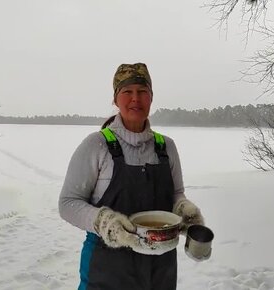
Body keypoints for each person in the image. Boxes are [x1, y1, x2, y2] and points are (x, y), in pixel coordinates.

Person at [58, 63, 205, 290]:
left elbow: (175, 194)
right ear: (116, 99)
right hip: (106, 270)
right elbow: (68, 203)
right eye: (127, 92)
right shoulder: (96, 145)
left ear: (151, 98)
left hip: (161, 269)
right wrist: (104, 222)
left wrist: (184, 209)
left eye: (142, 91)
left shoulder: (166, 146)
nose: (135, 98)